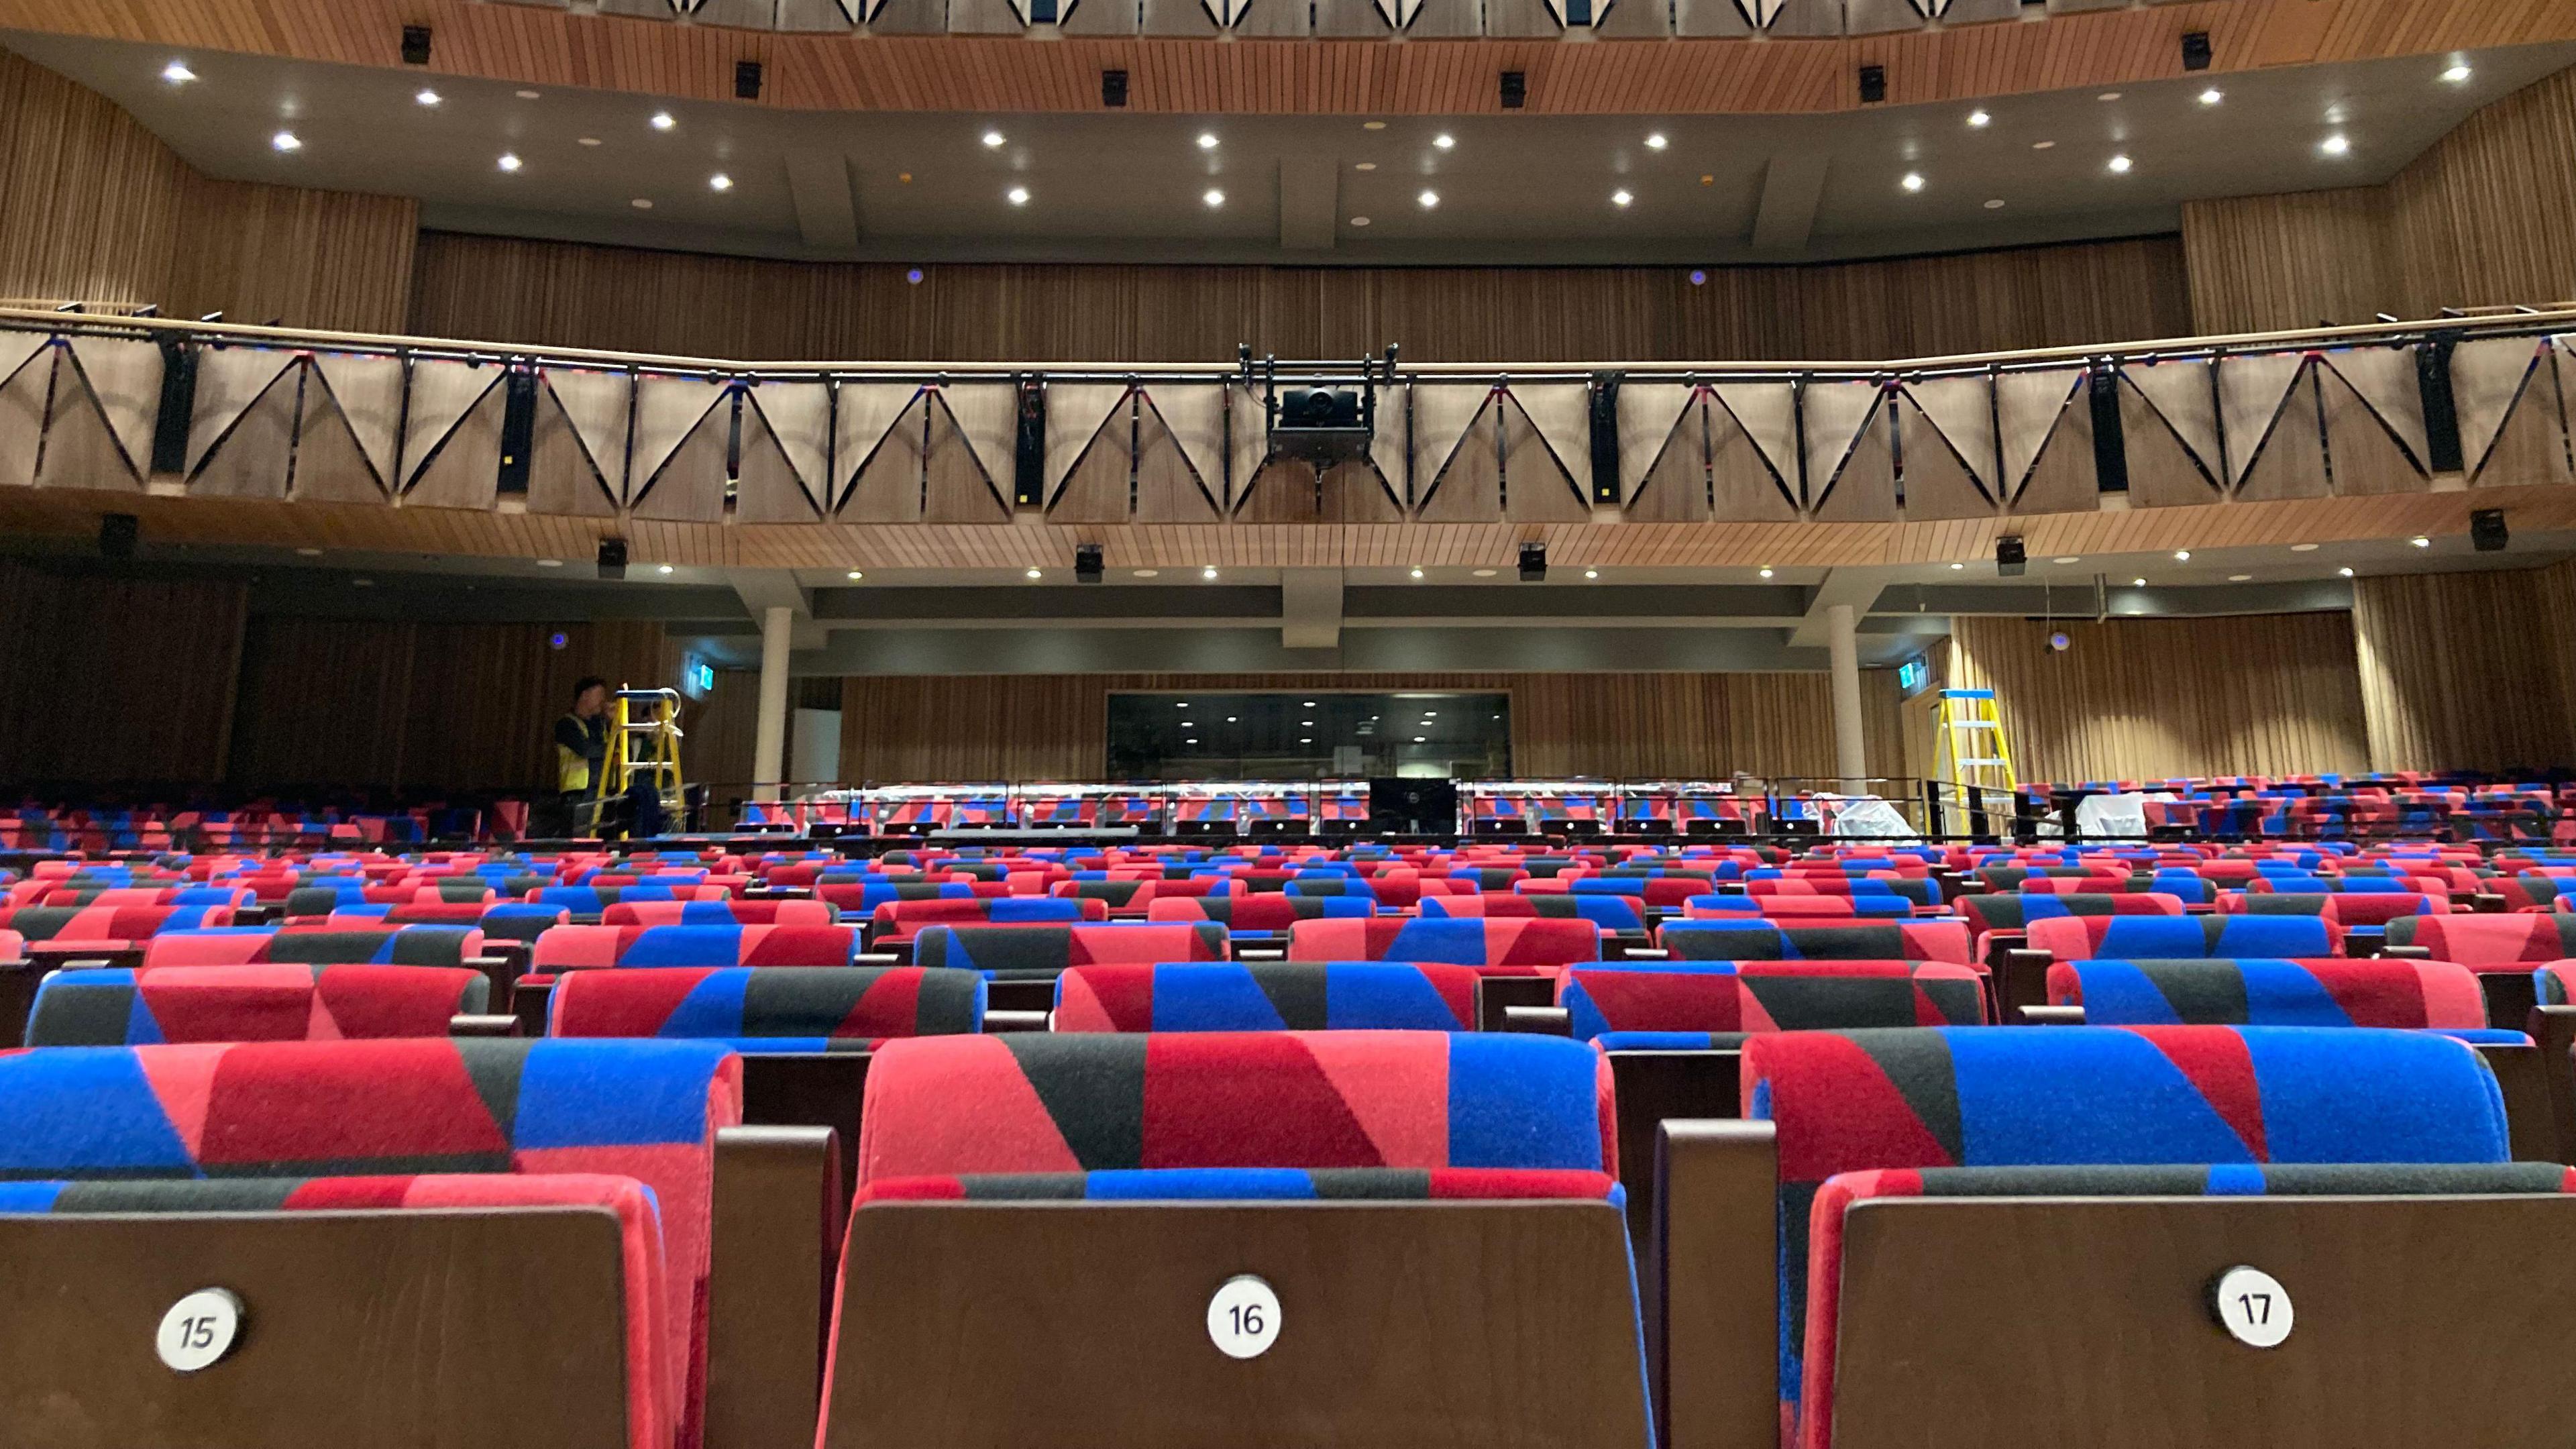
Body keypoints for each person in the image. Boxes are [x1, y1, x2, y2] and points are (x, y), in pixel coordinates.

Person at [552, 677, 611, 837]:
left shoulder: (600, 724)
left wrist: (614, 721)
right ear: (585, 695)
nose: (603, 701)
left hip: (600, 790)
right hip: (577, 794)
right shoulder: (566, 724)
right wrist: (610, 750)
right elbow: (586, 750)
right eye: (599, 695)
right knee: (577, 840)